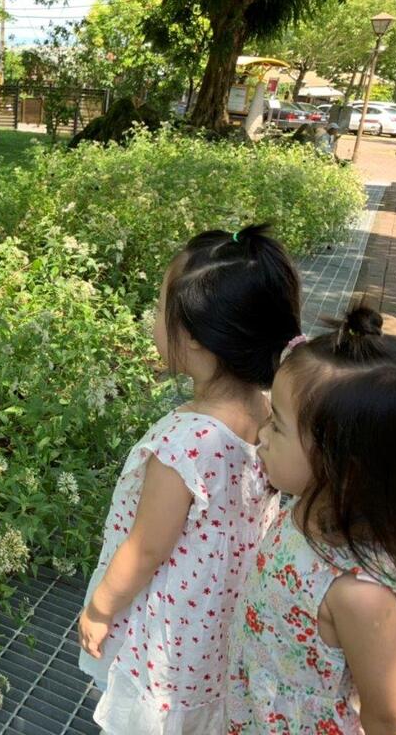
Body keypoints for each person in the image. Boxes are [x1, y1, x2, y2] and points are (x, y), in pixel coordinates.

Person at [77, 225, 302, 734]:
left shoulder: (183, 443)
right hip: (223, 620)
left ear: (196, 338)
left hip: (172, 638)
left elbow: (146, 547)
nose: (152, 321)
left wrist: (100, 608)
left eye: (159, 310)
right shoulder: (269, 414)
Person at [227, 308, 396, 735]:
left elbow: (389, 718)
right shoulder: (306, 508)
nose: (261, 433)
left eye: (276, 425)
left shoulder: (361, 593)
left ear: (339, 467)